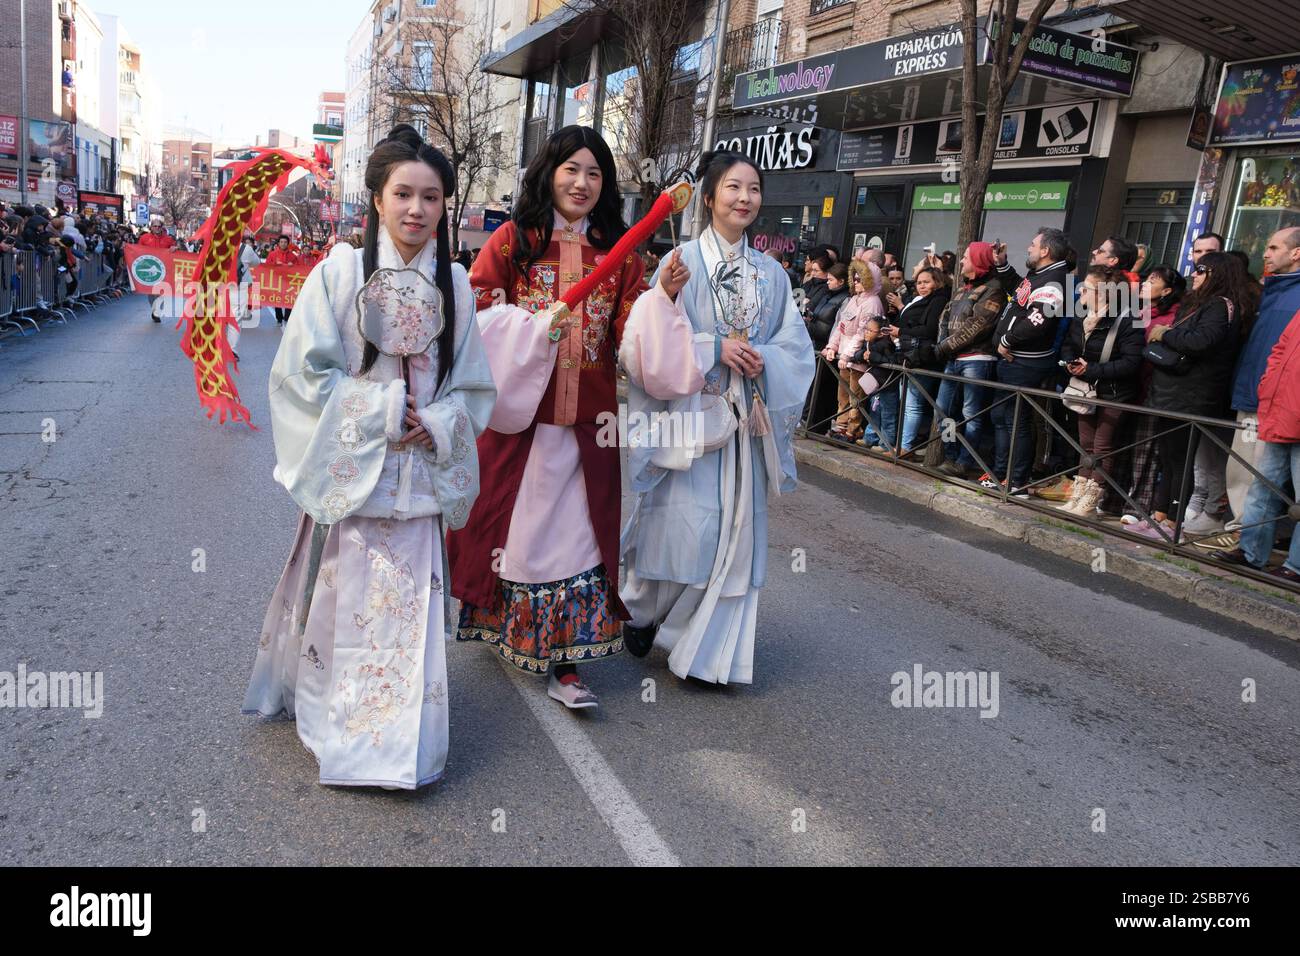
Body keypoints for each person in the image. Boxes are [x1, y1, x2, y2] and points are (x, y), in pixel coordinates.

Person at [243, 124, 496, 789]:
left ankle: (399, 745)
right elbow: (300, 375)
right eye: (403, 193)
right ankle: (339, 731)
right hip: (355, 473)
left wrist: (438, 422)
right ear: (377, 199)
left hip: (415, 480)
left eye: (432, 197)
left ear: (445, 206)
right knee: (345, 604)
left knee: (407, 615)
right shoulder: (338, 274)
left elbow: (473, 386)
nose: (417, 209)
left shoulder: (458, 285)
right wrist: (381, 412)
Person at [448, 125, 651, 710]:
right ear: (548, 173)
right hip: (523, 424)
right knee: (519, 534)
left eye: (594, 173)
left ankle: (566, 659)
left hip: (589, 426)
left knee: (580, 538)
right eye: (571, 170)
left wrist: (661, 300)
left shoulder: (619, 256)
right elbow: (479, 313)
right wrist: (528, 330)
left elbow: (630, 336)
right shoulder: (515, 241)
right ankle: (510, 627)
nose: (583, 183)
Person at [618, 148, 814, 685]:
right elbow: (652, 336)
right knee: (680, 524)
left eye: (753, 189)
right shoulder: (679, 261)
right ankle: (639, 609)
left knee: (732, 531)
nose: (744, 198)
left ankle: (700, 651)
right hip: (689, 418)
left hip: (743, 423)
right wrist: (712, 347)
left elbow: (794, 347)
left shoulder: (772, 275)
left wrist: (762, 358)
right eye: (732, 187)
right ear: (709, 197)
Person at [1134, 252, 1246, 539]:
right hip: (1172, 392)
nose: (1194, 274)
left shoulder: (1221, 306)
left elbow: (1201, 342)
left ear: (1218, 274)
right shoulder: (1200, 303)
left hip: (1192, 394)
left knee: (1180, 459)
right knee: (1167, 456)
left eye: (1201, 270)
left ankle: (1172, 524)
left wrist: (1165, 334)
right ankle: (1158, 516)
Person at [1220, 228, 1300, 549]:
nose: (1265, 253)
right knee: (1246, 470)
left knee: (1257, 475)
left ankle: (1246, 536)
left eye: (1273, 247)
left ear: (1296, 253)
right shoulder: (1274, 290)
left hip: (1278, 403)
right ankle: (1248, 543)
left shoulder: (1290, 293)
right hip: (1259, 395)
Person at [1210, 308, 1300, 582]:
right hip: (1281, 412)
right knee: (1262, 489)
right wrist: (1267, 386)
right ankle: (1250, 553)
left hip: (1287, 411)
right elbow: (1280, 349)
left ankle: (1296, 567)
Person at [986, 227, 1074, 494]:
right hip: (1013, 361)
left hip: (1024, 363)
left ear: (1045, 251)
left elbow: (1038, 322)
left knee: (1017, 423)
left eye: (1033, 245)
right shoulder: (1040, 274)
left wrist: (1006, 341)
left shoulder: (1056, 280)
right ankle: (1001, 473)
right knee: (1002, 418)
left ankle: (1015, 480)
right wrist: (1002, 265)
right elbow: (1021, 294)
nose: (1028, 248)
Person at [1056, 264, 1144, 515]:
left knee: (1102, 444)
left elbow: (1132, 362)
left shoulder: (1129, 319)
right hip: (1085, 389)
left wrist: (1091, 369)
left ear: (1104, 293)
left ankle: (1093, 495)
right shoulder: (1081, 315)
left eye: (1087, 288)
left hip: (1115, 391)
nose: (1081, 292)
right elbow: (1068, 346)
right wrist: (1071, 363)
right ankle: (1078, 492)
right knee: (1085, 443)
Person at [1113, 266, 1185, 523]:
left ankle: (1136, 507)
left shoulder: (1173, 318)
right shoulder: (1134, 311)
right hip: (1126, 387)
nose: (1145, 283)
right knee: (1121, 445)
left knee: (1146, 452)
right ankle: (1113, 500)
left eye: (1153, 280)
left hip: (1153, 391)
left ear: (1166, 291)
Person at [933, 241, 1008, 478]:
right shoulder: (963, 288)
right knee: (942, 411)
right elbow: (945, 316)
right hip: (952, 358)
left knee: (971, 414)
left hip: (977, 360)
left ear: (978, 260)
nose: (961, 261)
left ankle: (965, 462)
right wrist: (942, 343)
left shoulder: (994, 288)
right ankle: (951, 455)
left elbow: (978, 325)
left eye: (966, 257)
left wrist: (943, 347)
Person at [890, 265, 952, 457]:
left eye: (926, 282)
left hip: (923, 358)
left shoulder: (938, 300)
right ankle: (903, 444)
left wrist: (901, 331)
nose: (922, 286)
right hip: (909, 355)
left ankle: (906, 446)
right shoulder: (921, 299)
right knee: (907, 402)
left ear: (937, 282)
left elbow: (929, 330)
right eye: (918, 283)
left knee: (913, 404)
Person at [822, 260, 883, 442]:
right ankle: (840, 426)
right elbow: (841, 326)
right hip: (844, 356)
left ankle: (852, 430)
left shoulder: (873, 302)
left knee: (855, 397)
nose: (856, 282)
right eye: (854, 278)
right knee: (842, 396)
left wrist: (848, 354)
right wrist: (832, 347)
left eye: (860, 279)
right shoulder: (854, 300)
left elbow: (862, 332)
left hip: (856, 359)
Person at [137, 216, 176, 322]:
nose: (157, 228)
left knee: (161, 292)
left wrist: (174, 248)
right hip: (149, 268)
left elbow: (176, 250)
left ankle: (157, 310)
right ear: (151, 227)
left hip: (163, 270)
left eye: (159, 226)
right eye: (155, 226)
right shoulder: (144, 238)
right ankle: (154, 309)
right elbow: (137, 251)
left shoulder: (168, 239)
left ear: (162, 227)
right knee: (151, 292)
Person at [266, 236, 300, 327]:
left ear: (288, 243)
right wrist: (275, 264)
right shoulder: (272, 254)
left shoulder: (293, 256)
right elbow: (267, 266)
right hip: (277, 281)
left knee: (289, 299)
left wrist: (292, 265)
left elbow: (299, 267)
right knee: (277, 300)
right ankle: (279, 319)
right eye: (281, 242)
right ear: (278, 243)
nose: (283, 243)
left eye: (285, 242)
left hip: (288, 281)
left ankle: (287, 318)